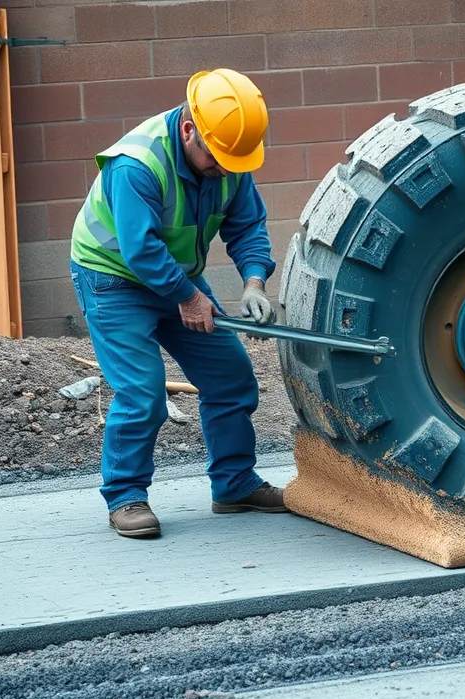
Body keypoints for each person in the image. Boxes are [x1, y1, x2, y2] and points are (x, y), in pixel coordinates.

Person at [68, 68, 288, 539]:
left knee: (230, 378)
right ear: (189, 130)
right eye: (218, 159)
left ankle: (234, 485)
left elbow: (247, 226)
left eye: (235, 160)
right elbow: (140, 248)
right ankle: (125, 495)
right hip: (113, 279)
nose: (227, 169)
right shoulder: (137, 165)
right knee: (143, 393)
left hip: (175, 277)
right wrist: (189, 298)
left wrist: (253, 284)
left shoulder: (228, 159)